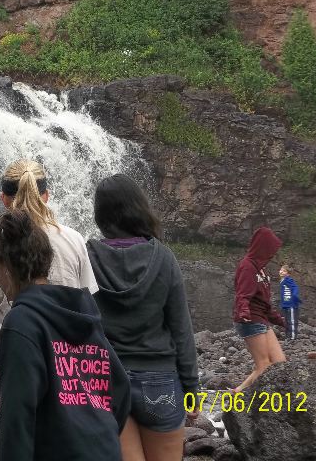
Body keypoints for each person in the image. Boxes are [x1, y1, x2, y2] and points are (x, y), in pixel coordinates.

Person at [0, 209, 131, 461]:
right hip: (105, 449)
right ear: (47, 260)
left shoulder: (21, 322)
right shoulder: (83, 312)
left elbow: (16, 416)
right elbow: (121, 389)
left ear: (5, 268)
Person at [85, 174, 199, 461]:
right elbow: (181, 329)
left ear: (100, 214)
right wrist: (192, 390)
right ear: (139, 207)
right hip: (159, 379)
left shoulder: (86, 257)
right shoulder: (164, 258)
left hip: (106, 379)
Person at [0, 159, 98, 346]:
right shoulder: (74, 239)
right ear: (46, 196)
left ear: (3, 198)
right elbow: (89, 306)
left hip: (14, 352)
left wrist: (4, 334)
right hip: (67, 357)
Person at [232, 226, 286, 392]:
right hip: (249, 320)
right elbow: (242, 294)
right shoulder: (247, 266)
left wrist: (281, 321)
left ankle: (237, 392)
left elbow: (265, 303)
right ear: (262, 247)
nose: (272, 254)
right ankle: (242, 394)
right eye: (270, 249)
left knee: (280, 364)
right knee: (264, 365)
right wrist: (243, 311)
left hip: (261, 319)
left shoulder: (262, 270)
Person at [279, 264, 302, 341]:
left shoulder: (288, 280)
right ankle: (288, 336)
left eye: (284, 271)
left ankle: (292, 337)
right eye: (281, 270)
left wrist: (296, 298)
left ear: (288, 274)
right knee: (287, 321)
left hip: (291, 304)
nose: (281, 272)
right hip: (285, 304)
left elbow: (295, 288)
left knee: (292, 321)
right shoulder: (282, 281)